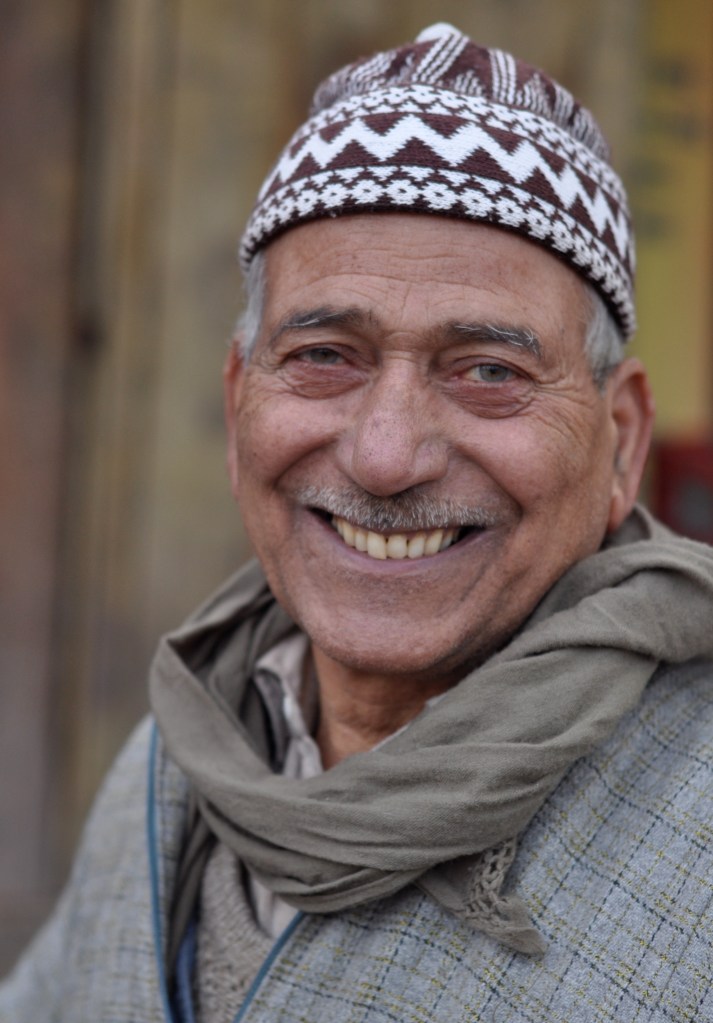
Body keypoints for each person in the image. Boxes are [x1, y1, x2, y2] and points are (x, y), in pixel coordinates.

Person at [2, 22, 713, 1023]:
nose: (384, 455)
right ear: (238, 404)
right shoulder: (180, 755)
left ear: (621, 439)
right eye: (325, 357)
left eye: (488, 371)